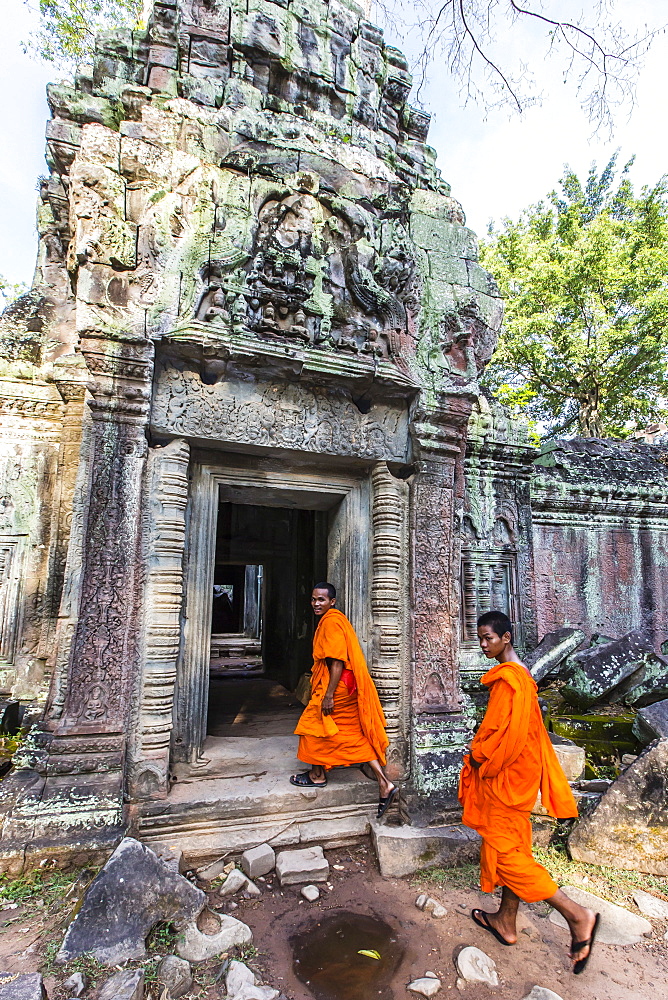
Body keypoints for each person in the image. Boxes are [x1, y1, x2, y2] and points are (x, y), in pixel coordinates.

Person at [459, 610, 600, 975]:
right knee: (515, 846)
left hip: (506, 776)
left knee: (506, 854)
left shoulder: (510, 682)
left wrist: (477, 757)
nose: (483, 644)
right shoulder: (520, 678)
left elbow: (501, 737)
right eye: (479, 638)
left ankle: (577, 915)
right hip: (519, 774)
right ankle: (506, 922)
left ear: (506, 638)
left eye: (488, 637)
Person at [291, 582, 398, 819]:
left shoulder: (331, 622)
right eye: (313, 599)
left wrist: (328, 695)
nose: (316, 604)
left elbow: (337, 661)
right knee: (352, 734)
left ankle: (317, 776)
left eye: (321, 600)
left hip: (336, 687)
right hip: (345, 686)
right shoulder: (335, 620)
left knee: (312, 728)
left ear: (332, 602)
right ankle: (385, 783)